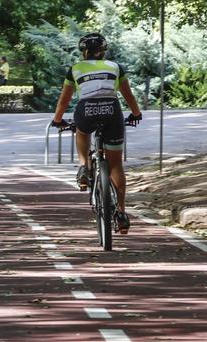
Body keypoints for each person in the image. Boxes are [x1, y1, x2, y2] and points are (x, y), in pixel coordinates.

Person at [51, 33, 142, 233]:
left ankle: (84, 166)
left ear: (83, 52)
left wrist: (57, 120)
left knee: (81, 131)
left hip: (87, 110)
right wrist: (136, 114)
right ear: (103, 52)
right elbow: (128, 95)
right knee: (116, 164)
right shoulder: (115, 67)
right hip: (112, 110)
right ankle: (121, 214)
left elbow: (64, 100)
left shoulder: (75, 69)